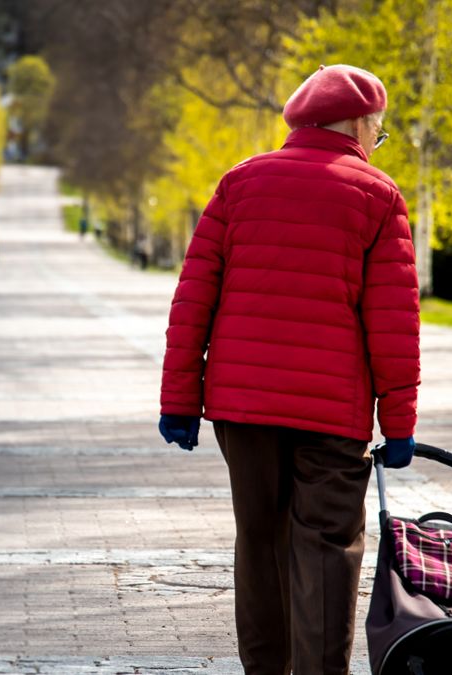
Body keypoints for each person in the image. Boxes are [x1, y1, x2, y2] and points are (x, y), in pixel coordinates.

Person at [158, 64, 420, 675]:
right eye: (376, 131)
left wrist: (178, 399)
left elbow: (193, 297)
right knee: (326, 550)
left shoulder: (240, 183)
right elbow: (393, 321)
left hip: (242, 412)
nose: (373, 141)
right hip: (333, 416)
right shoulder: (377, 196)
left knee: (260, 545)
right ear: (358, 122)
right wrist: (399, 420)